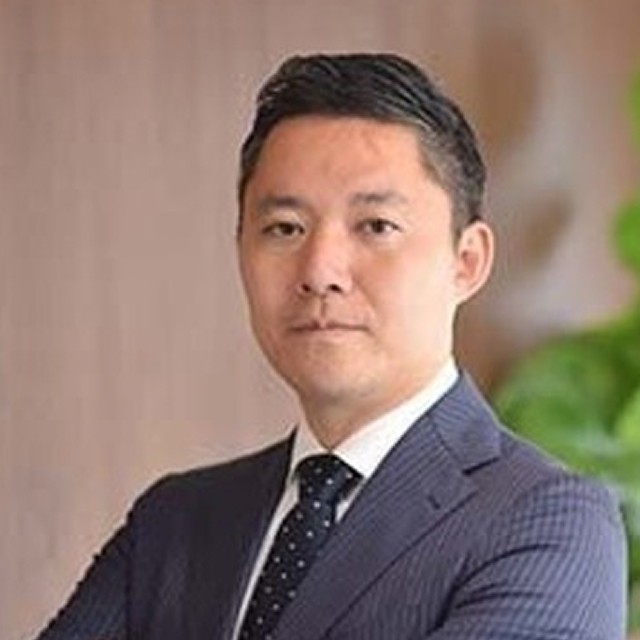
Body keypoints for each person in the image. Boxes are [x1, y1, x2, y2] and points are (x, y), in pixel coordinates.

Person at [37, 53, 627, 640]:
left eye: (376, 226)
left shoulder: (546, 521)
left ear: (466, 262)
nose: (320, 271)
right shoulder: (174, 521)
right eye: (285, 228)